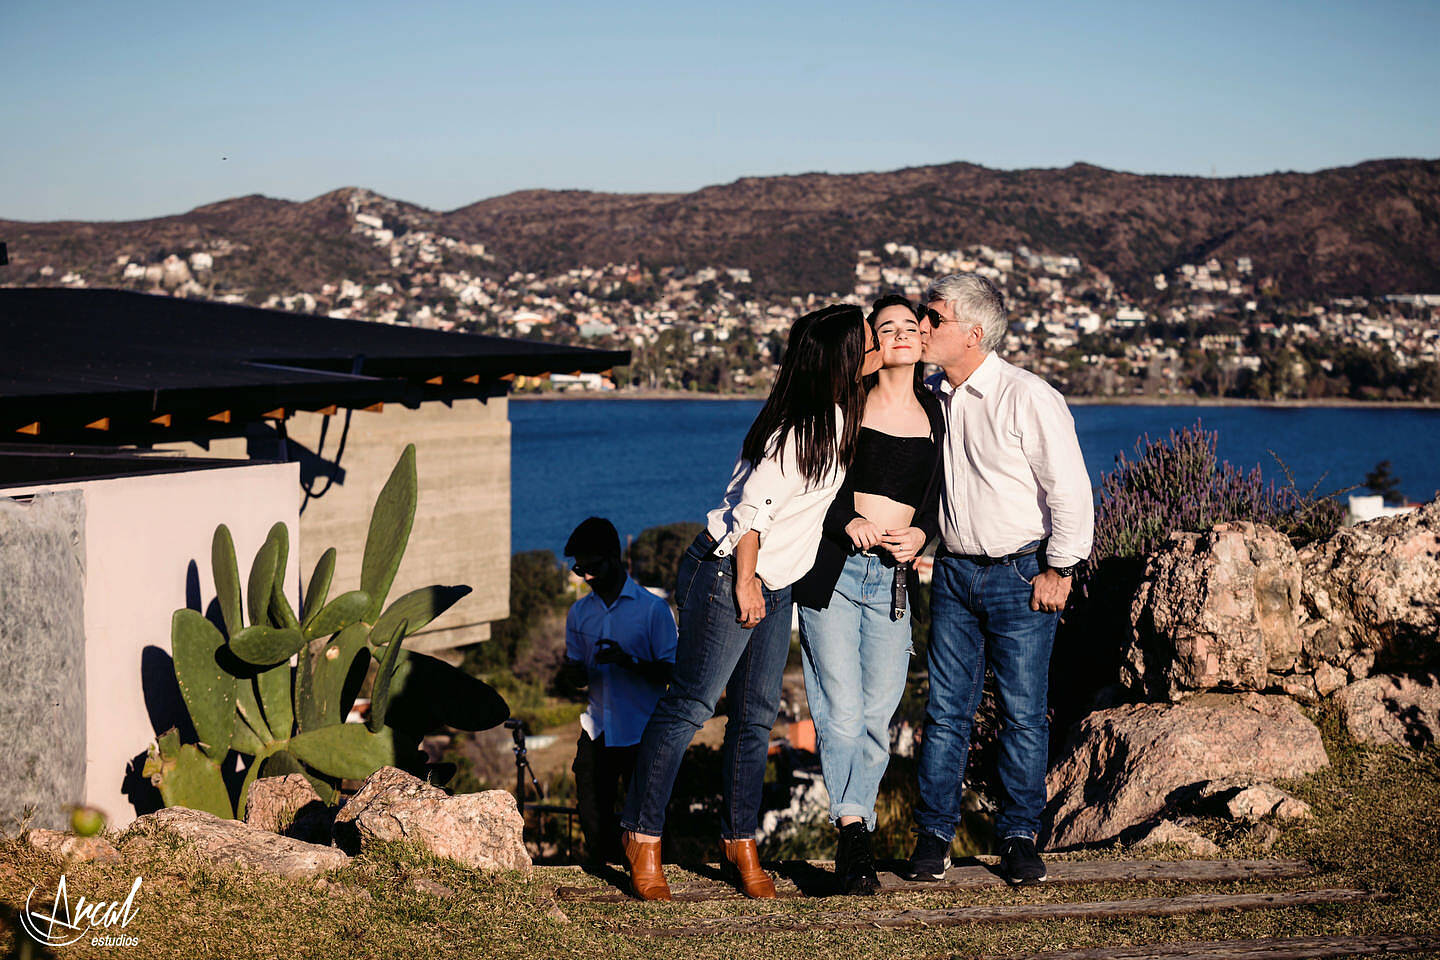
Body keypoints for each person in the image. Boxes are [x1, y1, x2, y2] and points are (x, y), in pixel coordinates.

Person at [617, 303, 882, 901]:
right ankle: (641, 834)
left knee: (757, 717)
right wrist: (745, 583)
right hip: (730, 570)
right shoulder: (803, 429)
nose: (873, 349)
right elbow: (751, 513)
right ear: (840, 358)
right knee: (690, 704)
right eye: (866, 341)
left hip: (777, 578)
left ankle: (739, 842)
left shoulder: (839, 416)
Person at [905, 273, 1094, 886]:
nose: (922, 325)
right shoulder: (934, 391)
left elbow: (1069, 491)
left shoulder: (1028, 396)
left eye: (933, 317)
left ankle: (1018, 837)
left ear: (974, 332)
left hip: (1021, 573)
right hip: (955, 571)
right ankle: (932, 836)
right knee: (946, 713)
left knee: (1022, 713)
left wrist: (1060, 568)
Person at [791, 295, 944, 895]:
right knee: (840, 711)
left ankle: (855, 828)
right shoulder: (843, 408)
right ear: (872, 344)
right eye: (888, 328)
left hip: (894, 581)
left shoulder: (938, 412)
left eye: (912, 326)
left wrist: (923, 534)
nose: (902, 334)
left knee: (880, 714)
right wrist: (843, 520)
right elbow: (808, 484)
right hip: (835, 575)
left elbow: (939, 496)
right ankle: (854, 831)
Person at [559, 517, 678, 866]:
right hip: (597, 730)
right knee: (594, 824)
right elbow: (574, 679)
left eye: (594, 567)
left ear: (615, 557)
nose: (588, 577)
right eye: (581, 570)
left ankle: (657, 887)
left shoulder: (652, 610)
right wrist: (572, 674)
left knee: (653, 826)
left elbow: (671, 673)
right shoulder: (578, 614)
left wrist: (629, 661)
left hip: (643, 732)